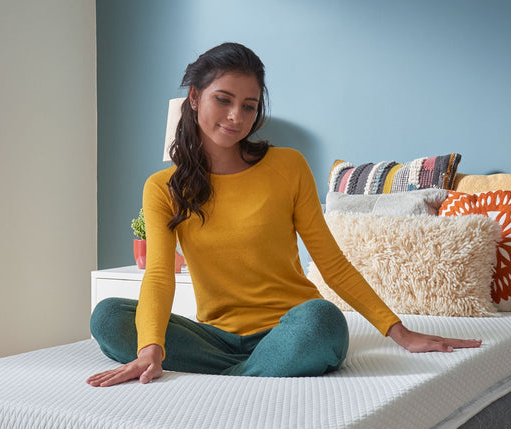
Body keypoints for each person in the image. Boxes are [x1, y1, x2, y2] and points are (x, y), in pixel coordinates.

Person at [87, 42, 480, 387]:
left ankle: (239, 377)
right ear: (194, 97)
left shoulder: (287, 166)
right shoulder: (163, 187)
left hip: (291, 329)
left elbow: (331, 263)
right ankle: (253, 373)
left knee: (321, 321)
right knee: (108, 317)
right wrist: (151, 349)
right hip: (216, 340)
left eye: (249, 106)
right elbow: (158, 275)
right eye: (223, 99)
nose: (236, 117)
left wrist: (400, 332)